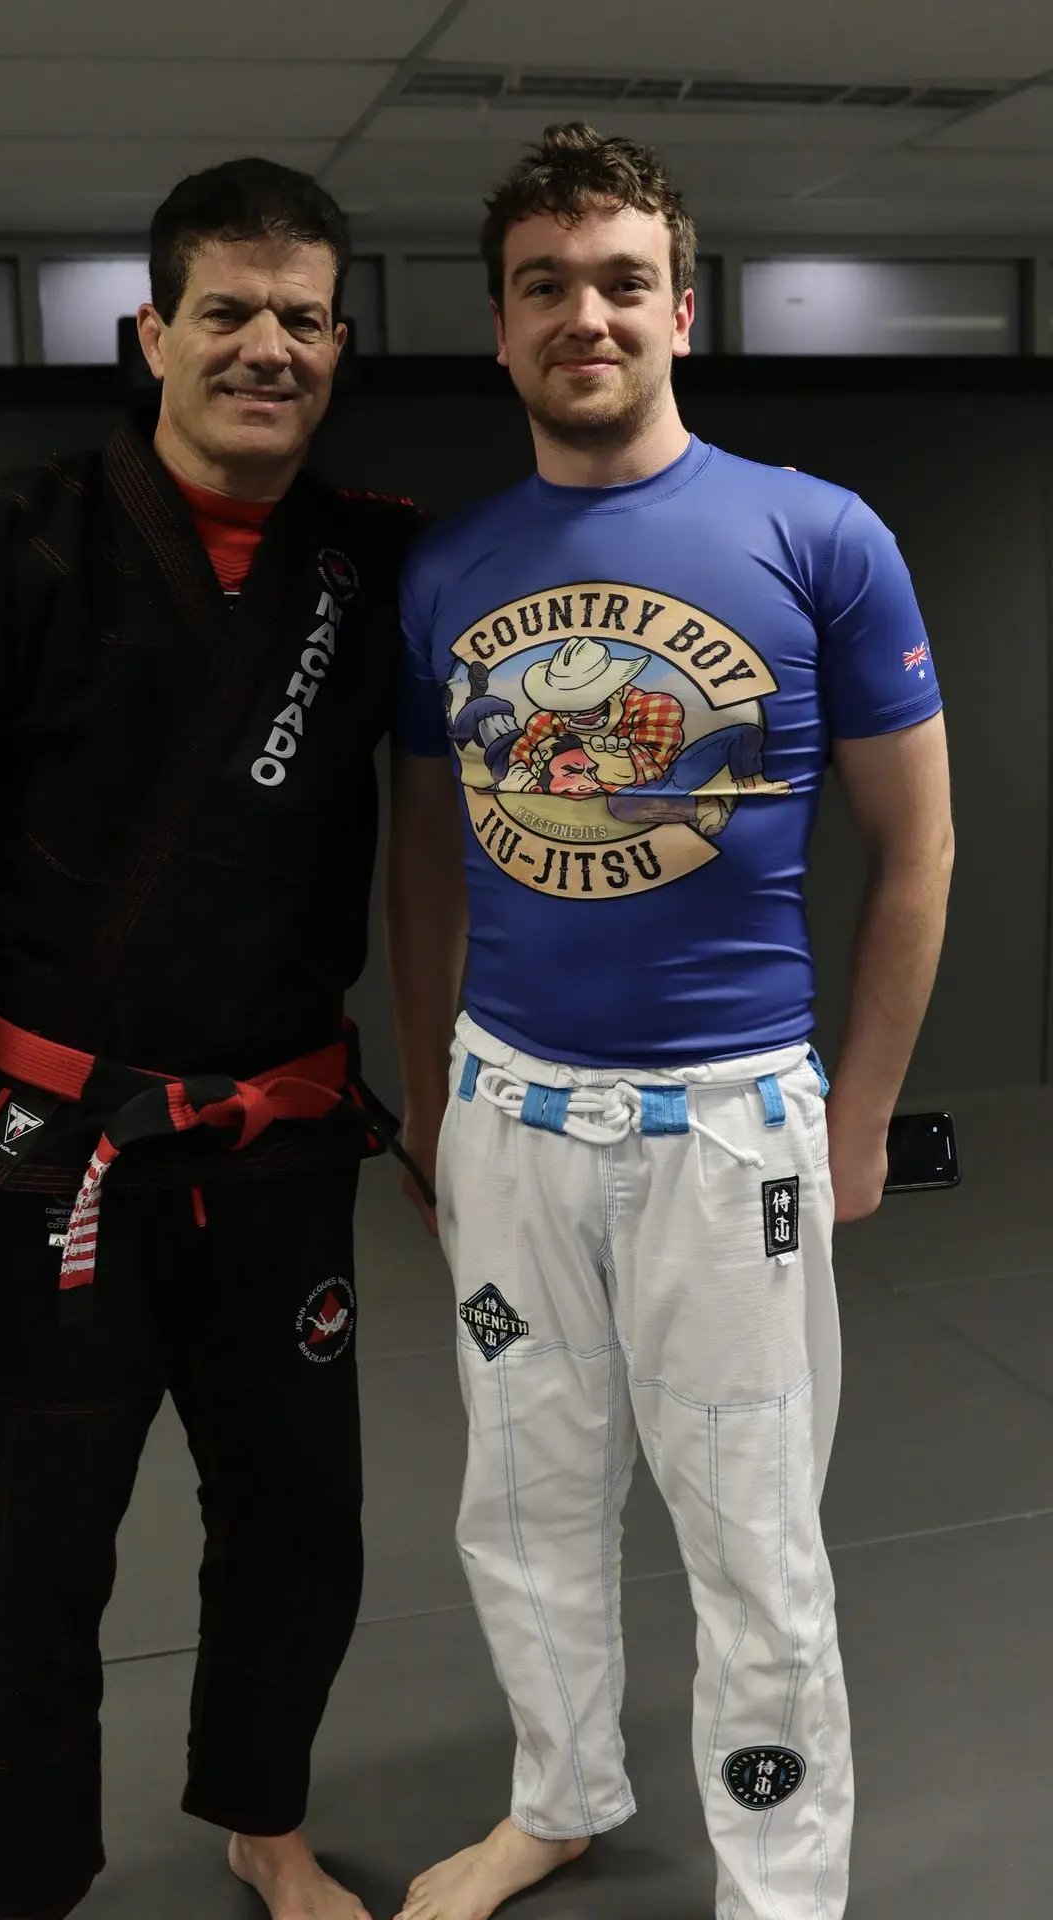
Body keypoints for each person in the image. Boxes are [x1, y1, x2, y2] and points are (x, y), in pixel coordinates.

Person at [0, 157, 422, 1920]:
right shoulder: (13, 532)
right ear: (151, 332)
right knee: (30, 1562)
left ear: (341, 341)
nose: (265, 347)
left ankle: (262, 1819)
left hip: (281, 1148)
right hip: (50, 1151)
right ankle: (19, 1885)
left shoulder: (368, 562)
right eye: (226, 311)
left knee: (302, 1532)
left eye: (302, 317)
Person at [387, 122, 953, 1920]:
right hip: (510, 1115)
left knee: (753, 1536)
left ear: (681, 309)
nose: (587, 314)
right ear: (499, 327)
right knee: (521, 1504)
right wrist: (428, 1105)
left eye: (622, 279)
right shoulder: (448, 567)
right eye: (545, 286)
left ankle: (779, 1889)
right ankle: (557, 1793)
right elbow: (426, 870)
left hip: (731, 1132)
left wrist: (862, 1117)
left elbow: (920, 848)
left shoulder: (818, 535)